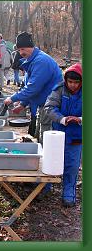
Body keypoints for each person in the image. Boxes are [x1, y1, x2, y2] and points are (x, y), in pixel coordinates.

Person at [4, 31, 62, 143]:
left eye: (23, 49)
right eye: (19, 50)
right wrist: (23, 104)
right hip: (42, 105)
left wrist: (12, 98)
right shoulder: (31, 60)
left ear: (31, 47)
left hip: (52, 106)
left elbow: (33, 88)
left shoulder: (41, 61)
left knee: (47, 138)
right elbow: (29, 86)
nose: (21, 52)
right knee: (40, 135)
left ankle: (47, 159)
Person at [44, 63, 82, 207]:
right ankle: (45, 188)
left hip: (77, 135)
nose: (72, 85)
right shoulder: (59, 89)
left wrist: (80, 120)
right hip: (58, 133)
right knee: (50, 161)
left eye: (76, 82)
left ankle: (68, 192)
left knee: (72, 165)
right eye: (70, 82)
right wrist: (63, 119)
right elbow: (49, 107)